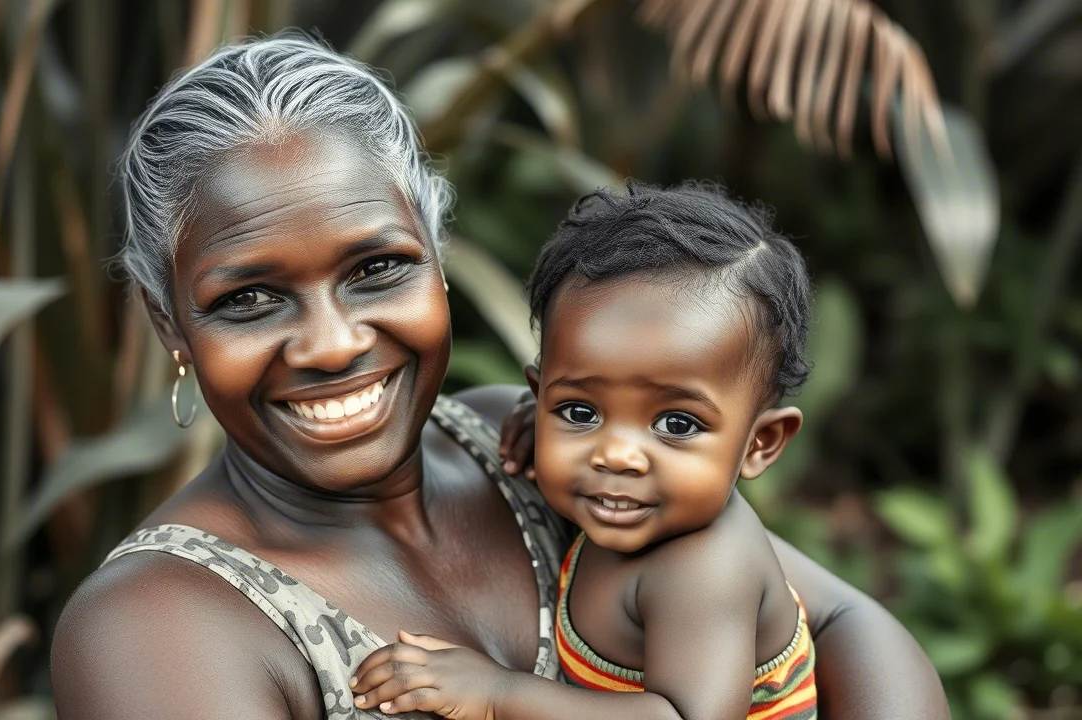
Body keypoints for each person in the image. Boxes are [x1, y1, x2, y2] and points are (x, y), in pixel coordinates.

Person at [49, 32, 949, 720]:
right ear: (168, 320)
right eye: (249, 299)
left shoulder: (549, 452)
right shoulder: (158, 624)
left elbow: (837, 626)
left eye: (375, 271)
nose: (328, 344)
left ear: (437, 264)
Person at [351, 182, 819, 719]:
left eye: (676, 423)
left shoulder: (703, 570)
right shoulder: (631, 500)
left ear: (760, 444)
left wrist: (498, 696)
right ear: (536, 397)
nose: (616, 454)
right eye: (580, 411)